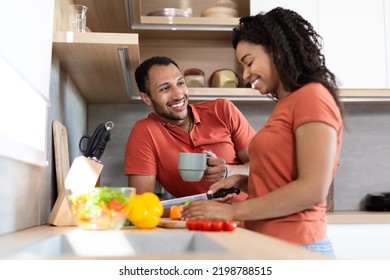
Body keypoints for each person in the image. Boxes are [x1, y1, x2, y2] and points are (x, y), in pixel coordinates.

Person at [182, 7, 344, 257]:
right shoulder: (289, 104)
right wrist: (246, 181)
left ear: (277, 50)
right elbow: (285, 176)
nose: (245, 75)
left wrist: (232, 212)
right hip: (271, 247)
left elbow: (312, 189)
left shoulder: (312, 98)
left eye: (248, 62)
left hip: (298, 248)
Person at [124, 56, 256, 203]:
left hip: (253, 213)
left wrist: (229, 171)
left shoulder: (223, 110)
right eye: (165, 88)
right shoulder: (145, 132)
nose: (178, 94)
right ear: (146, 98)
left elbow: (265, 168)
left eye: (180, 83)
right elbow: (142, 204)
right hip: (199, 221)